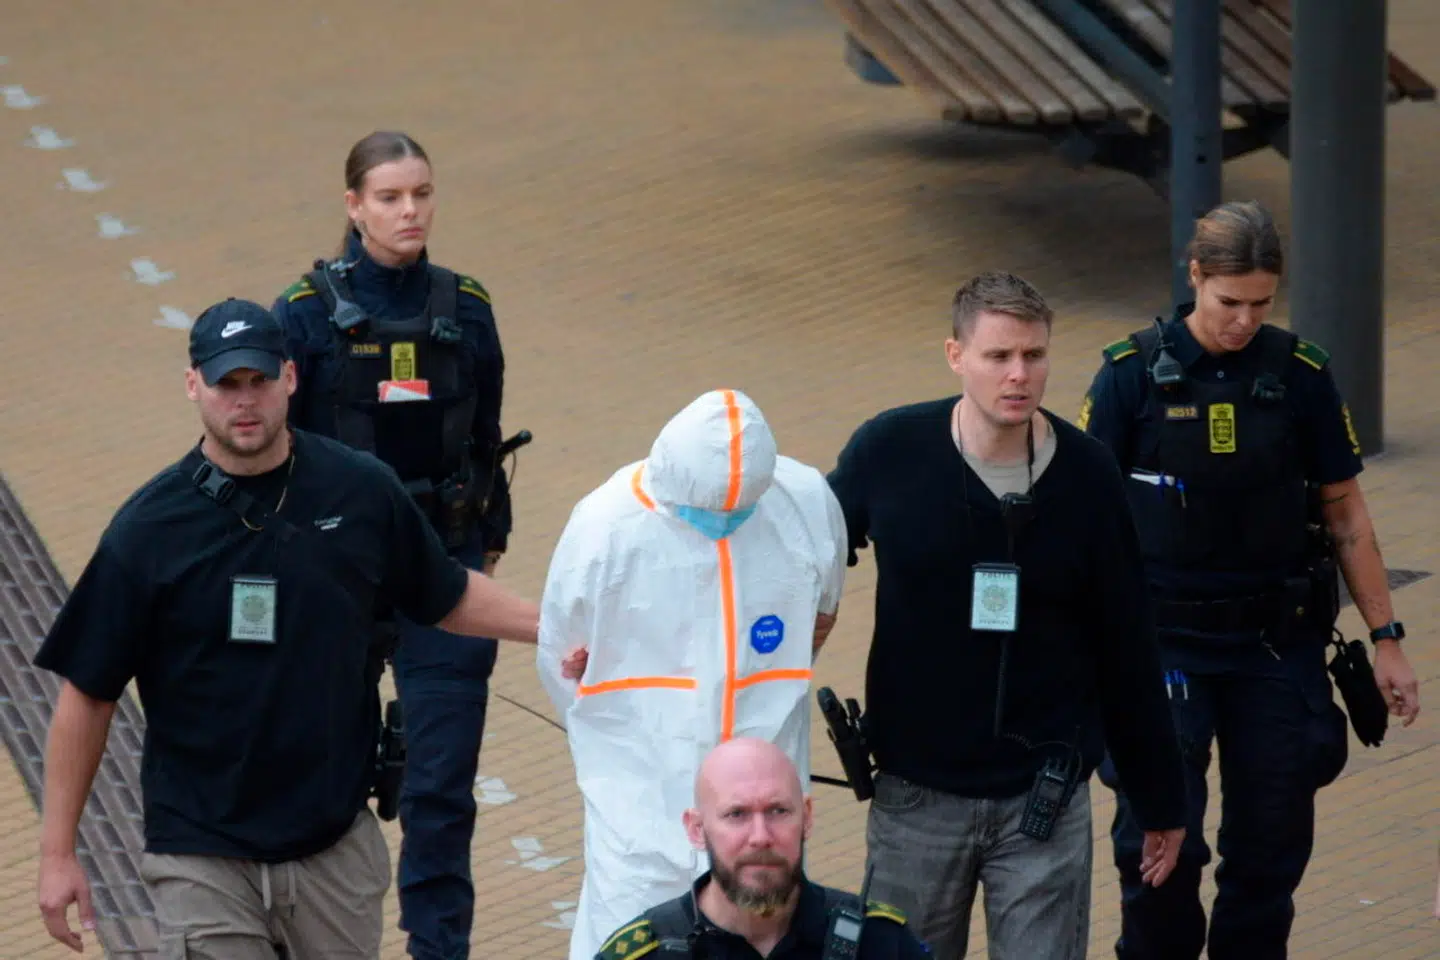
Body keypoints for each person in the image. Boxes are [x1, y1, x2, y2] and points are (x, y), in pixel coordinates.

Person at [33, 298, 541, 959]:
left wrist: (557, 629)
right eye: (226, 385)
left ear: (291, 379)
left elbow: (444, 595)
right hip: (202, 856)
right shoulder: (148, 532)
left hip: (333, 848)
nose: (245, 402)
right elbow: (89, 693)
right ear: (194, 388)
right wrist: (56, 854)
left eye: (260, 381)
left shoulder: (361, 491)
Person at [1077, 199, 1422, 960]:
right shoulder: (1129, 377)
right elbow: (1082, 525)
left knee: (1270, 851)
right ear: (1194, 276)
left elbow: (1346, 513)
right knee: (1162, 854)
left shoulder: (1300, 375)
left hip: (1275, 646)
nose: (1243, 320)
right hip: (1161, 649)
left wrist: (1387, 638)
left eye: (1261, 304)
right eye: (1228, 302)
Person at [825, 271, 1188, 959]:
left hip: (1043, 803)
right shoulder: (889, 450)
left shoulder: (1088, 474)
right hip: (916, 803)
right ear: (956, 355)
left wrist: (1160, 800)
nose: (1019, 375)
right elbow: (801, 556)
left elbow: (1127, 646)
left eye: (1034, 355)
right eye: (998, 356)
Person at [271, 130, 514, 960]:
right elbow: (271, 452)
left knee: (442, 788)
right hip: (335, 578)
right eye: (388, 197)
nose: (409, 211)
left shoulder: (468, 307)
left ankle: (437, 949)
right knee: (321, 771)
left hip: (445, 573)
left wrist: (486, 549)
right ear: (352, 205)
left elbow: (486, 441)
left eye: (421, 194)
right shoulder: (300, 320)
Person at [538, 388, 849, 960]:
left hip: (759, 804)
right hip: (641, 806)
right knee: (632, 937)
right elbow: (560, 662)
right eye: (710, 509)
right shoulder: (606, 527)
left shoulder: (805, 502)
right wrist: (621, 740)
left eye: (740, 510)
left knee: (767, 937)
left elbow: (822, 613)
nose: (724, 523)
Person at [593, 737, 932, 960]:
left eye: (778, 811)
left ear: (807, 818)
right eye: (736, 814)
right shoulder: (642, 954)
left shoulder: (880, 944)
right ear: (697, 830)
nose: (760, 836)